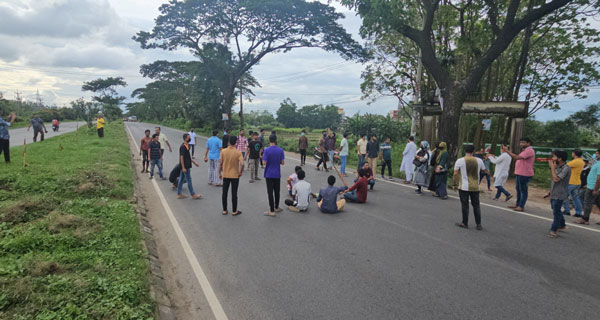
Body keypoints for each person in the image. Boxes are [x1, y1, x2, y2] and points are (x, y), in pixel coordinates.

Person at [453, 145, 487, 230]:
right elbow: (484, 170)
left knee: (465, 205)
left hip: (464, 187)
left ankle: (465, 223)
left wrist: (454, 184)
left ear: (465, 151)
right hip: (475, 187)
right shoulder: (479, 160)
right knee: (476, 205)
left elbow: (455, 174)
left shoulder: (460, 160)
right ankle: (478, 224)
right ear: (473, 151)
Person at [544, 150, 571, 238]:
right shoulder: (557, 166)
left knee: (556, 211)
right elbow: (553, 181)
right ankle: (562, 224)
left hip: (560, 193)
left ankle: (553, 229)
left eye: (554, 157)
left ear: (560, 158)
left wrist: (552, 168)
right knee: (556, 210)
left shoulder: (566, 168)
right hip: (554, 192)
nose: (552, 158)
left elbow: (556, 179)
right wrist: (550, 191)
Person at [507, 137, 535, 212]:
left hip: (525, 174)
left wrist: (507, 151)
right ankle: (518, 204)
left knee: (523, 190)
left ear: (528, 143)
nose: (521, 144)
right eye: (521, 142)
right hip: (520, 173)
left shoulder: (529, 150)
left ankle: (521, 206)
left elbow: (517, 157)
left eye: (523, 142)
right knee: (519, 190)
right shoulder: (524, 150)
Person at [219, 135, 244, 216]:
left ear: (229, 142)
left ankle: (224, 210)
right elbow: (242, 164)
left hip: (226, 174)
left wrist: (219, 173)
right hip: (235, 176)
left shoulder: (223, 151)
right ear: (236, 142)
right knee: (234, 193)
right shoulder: (238, 152)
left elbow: (221, 163)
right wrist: (240, 172)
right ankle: (234, 211)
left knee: (224, 193)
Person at [575, 149, 600, 225]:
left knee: (587, 203)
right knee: (598, 203)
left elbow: (599, 177)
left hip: (593, 187)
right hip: (591, 186)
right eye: (596, 153)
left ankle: (585, 219)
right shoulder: (596, 163)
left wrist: (595, 189)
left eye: (597, 154)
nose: (596, 155)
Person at [263, 135, 285, 217]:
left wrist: (262, 158)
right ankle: (276, 207)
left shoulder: (266, 150)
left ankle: (271, 210)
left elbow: (264, 163)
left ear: (269, 140)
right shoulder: (280, 150)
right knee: (277, 191)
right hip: (277, 173)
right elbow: (282, 163)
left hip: (269, 174)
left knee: (270, 192)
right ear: (276, 140)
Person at [177, 133, 203, 200]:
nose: (190, 139)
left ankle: (179, 194)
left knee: (181, 179)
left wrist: (194, 163)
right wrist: (183, 167)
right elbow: (181, 157)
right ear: (185, 138)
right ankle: (193, 194)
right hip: (185, 166)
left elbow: (188, 157)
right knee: (189, 179)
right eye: (189, 138)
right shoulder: (183, 146)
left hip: (186, 165)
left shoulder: (187, 146)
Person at [562, 149, 585, 217]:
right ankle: (578, 212)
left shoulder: (575, 161)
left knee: (564, 195)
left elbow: (565, 166)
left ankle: (567, 210)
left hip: (571, 181)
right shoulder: (581, 161)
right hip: (577, 181)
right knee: (576, 198)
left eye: (573, 153)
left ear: (574, 154)